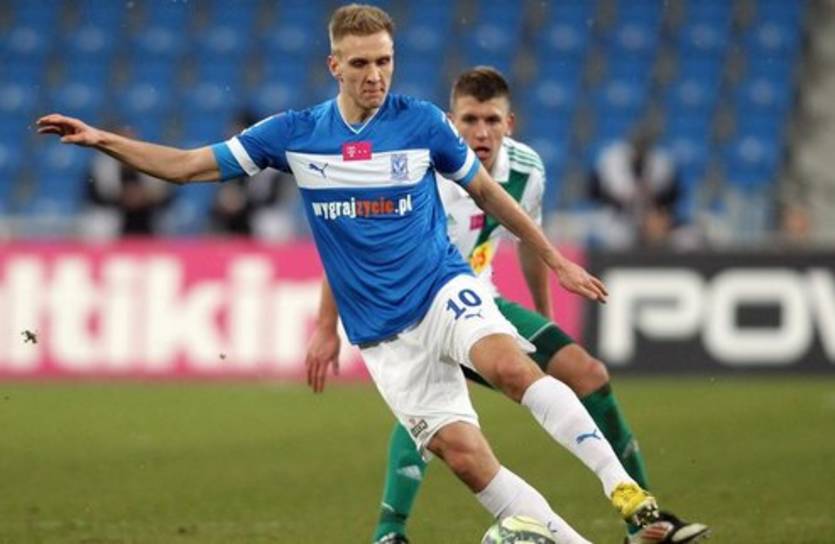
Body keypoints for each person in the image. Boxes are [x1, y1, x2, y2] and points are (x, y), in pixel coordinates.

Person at [39, 5, 658, 542]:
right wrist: (102, 140)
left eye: (384, 61)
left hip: (443, 288)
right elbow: (186, 166)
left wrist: (553, 258)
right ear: (334, 65)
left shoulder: (424, 123)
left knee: (510, 366)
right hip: (381, 334)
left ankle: (623, 489)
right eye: (360, 63)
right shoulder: (296, 134)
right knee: (466, 458)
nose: (375, 75)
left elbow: (489, 193)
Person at [308, 67, 710, 544]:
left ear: (509, 123)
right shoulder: (419, 169)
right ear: (450, 121)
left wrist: (545, 315)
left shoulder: (526, 170)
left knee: (588, 373)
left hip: (479, 298)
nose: (481, 132)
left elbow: (526, 239)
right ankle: (390, 531)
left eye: (491, 120)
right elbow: (353, 248)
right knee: (434, 408)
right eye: (469, 120)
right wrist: (326, 325)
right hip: (415, 306)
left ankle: (642, 521)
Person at [588, 127, 688, 249]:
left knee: (683, 239)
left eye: (643, 144)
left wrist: (658, 215)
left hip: (651, 215)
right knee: (618, 238)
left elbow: (670, 197)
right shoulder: (612, 159)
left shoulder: (661, 161)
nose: (640, 148)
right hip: (616, 216)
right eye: (637, 144)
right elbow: (597, 193)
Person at [80, 126, 172, 239]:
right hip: (112, 220)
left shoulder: (152, 163)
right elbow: (93, 197)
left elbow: (167, 196)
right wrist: (121, 197)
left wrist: (146, 196)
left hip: (149, 219)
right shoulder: (102, 166)